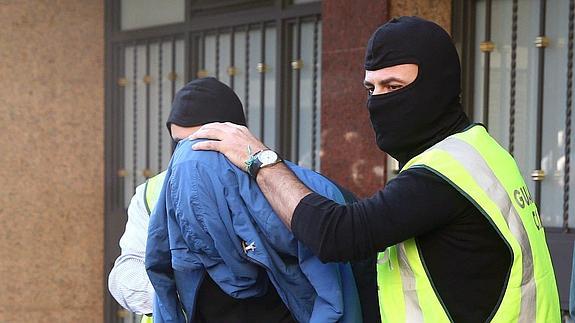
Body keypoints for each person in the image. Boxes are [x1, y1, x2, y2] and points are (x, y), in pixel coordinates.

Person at [189, 16, 561, 322]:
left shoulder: (445, 172)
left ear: (437, 85)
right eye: (372, 88)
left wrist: (259, 160)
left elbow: (338, 234)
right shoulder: (482, 149)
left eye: (394, 85)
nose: (378, 102)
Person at [145, 78, 369, 323]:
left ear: (237, 136)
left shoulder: (311, 193)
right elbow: (149, 273)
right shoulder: (162, 197)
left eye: (205, 141)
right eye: (180, 144)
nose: (190, 155)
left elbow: (341, 296)